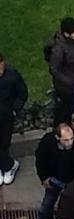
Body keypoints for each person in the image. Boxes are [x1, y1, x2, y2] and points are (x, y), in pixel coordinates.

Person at [46, 17, 74, 125]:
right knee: (64, 108)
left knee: (71, 106)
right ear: (67, 34)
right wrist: (68, 81)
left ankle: (68, 125)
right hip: (65, 86)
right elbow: (54, 69)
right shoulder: (59, 48)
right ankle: (59, 127)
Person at [0, 53, 28, 186]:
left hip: (6, 117)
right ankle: (7, 165)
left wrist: (15, 109)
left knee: (4, 143)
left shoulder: (12, 75)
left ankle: (9, 166)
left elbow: (22, 93)